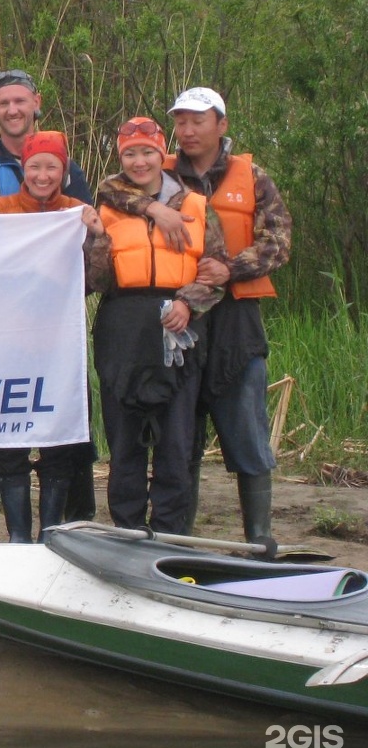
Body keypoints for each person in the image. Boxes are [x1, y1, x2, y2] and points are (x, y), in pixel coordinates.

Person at [97, 87, 291, 550]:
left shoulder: (253, 176)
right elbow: (107, 188)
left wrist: (230, 267)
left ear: (220, 125)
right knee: (179, 431)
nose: (188, 130)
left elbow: (279, 241)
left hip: (233, 317)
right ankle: (178, 533)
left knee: (243, 422)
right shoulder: (157, 170)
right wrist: (152, 206)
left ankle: (258, 539)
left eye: (197, 120)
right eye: (181, 122)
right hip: (168, 321)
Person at [0, 68, 96, 542]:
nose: (13, 110)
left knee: (62, 430)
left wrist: (95, 235)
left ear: (36, 103)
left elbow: (93, 267)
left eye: (21, 101)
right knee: (3, 433)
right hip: (2, 329)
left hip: (56, 331)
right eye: (3, 102)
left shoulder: (74, 195)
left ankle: (64, 528)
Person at [91, 117, 226, 535]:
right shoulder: (107, 206)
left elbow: (216, 272)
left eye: (147, 152)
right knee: (125, 440)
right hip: (122, 328)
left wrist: (189, 302)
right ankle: (128, 529)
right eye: (130, 153)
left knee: (176, 439)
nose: (139, 161)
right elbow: (94, 279)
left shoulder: (197, 205)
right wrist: (95, 240)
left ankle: (169, 531)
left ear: (162, 153)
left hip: (178, 330)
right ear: (120, 156)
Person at [0, 131, 110, 540]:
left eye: (51, 167)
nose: (42, 175)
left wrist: (97, 236)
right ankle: (19, 537)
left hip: (59, 346)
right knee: (9, 444)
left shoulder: (77, 211)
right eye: (35, 166)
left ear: (64, 170)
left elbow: (96, 281)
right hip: (9, 344)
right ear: (23, 167)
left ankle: (51, 534)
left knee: (59, 442)